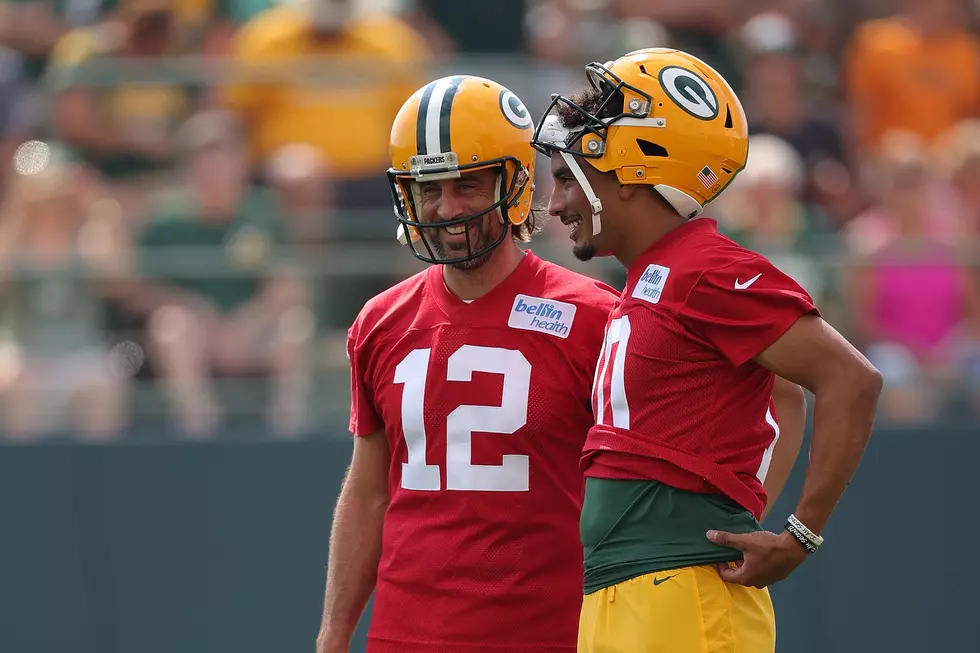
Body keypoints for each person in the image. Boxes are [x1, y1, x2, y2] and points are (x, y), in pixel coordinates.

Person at [531, 48, 883, 653]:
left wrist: (800, 534)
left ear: (635, 164)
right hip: (627, 589)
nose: (557, 203)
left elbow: (851, 379)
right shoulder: (654, 276)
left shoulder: (703, 270)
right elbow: (783, 392)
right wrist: (743, 507)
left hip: (682, 594)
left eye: (568, 177)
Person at [314, 75, 621, 653]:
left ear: (516, 181)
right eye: (429, 188)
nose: (445, 208)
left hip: (549, 634)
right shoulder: (381, 321)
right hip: (404, 635)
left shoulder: (594, 318)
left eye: (468, 185)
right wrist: (334, 634)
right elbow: (368, 493)